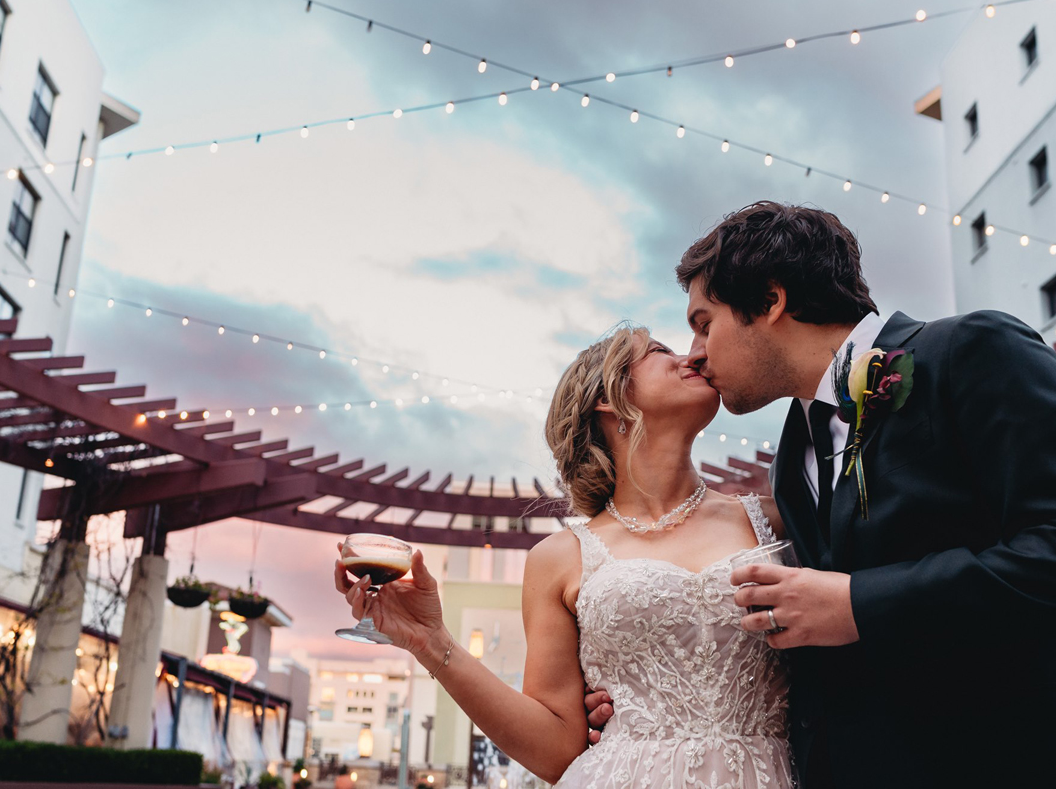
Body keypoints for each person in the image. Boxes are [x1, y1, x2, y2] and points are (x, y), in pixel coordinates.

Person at [586, 200, 1056, 789]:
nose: (694, 351)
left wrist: (861, 604)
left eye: (704, 322)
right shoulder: (790, 457)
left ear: (770, 301)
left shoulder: (969, 351)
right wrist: (645, 694)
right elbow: (813, 630)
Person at [334, 324, 795, 787]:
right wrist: (429, 640)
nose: (690, 358)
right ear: (608, 398)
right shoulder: (558, 559)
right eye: (658, 351)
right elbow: (555, 751)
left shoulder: (778, 521)